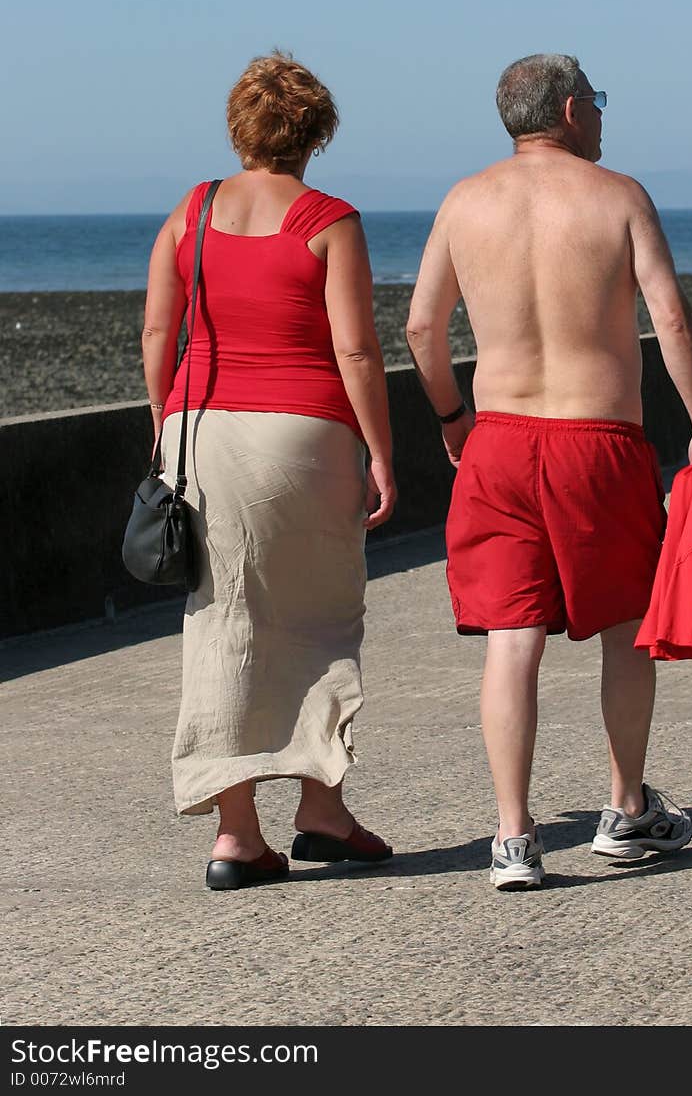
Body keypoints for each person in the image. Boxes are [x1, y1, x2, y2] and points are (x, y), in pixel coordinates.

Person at [406, 53, 692, 890]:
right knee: (626, 626)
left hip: (498, 442)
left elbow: (418, 328)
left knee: (512, 640)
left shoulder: (463, 201)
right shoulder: (618, 195)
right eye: (600, 103)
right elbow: (671, 319)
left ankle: (514, 838)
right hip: (599, 439)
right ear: (574, 109)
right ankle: (624, 810)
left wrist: (452, 419)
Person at [142, 51, 396, 889]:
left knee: (221, 622)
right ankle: (322, 809)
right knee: (322, 614)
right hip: (304, 434)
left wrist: (166, 428)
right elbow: (356, 349)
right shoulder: (328, 218)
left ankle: (236, 835)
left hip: (202, 429)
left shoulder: (193, 210)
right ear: (314, 132)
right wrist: (382, 452)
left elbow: (156, 336)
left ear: (240, 126)